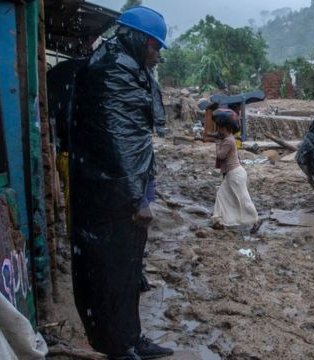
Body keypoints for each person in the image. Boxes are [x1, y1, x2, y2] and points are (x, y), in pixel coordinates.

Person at [69, 6, 173, 360]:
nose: (157, 55)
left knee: (128, 269)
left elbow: (134, 140)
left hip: (119, 190)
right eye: (154, 47)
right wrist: (136, 198)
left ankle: (131, 337)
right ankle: (117, 345)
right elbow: (120, 143)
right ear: (137, 39)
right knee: (109, 271)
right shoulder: (111, 71)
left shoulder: (126, 67)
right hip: (109, 194)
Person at [211, 109, 259, 228]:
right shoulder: (229, 138)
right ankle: (218, 220)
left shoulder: (228, 141)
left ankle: (256, 220)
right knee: (221, 195)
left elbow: (220, 155)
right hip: (233, 174)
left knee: (243, 198)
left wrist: (217, 144)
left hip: (235, 174)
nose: (218, 130)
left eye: (220, 127)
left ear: (225, 127)